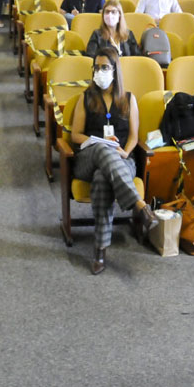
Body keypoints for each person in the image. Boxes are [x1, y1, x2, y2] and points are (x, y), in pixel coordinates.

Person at [69, 46, 157, 274]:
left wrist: (125, 152)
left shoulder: (129, 99)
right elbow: (75, 134)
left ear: (115, 70)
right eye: (96, 67)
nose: (100, 72)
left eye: (105, 67)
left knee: (102, 179)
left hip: (122, 160)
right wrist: (99, 142)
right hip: (88, 158)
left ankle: (100, 250)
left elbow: (134, 137)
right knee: (102, 149)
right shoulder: (86, 97)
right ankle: (138, 205)